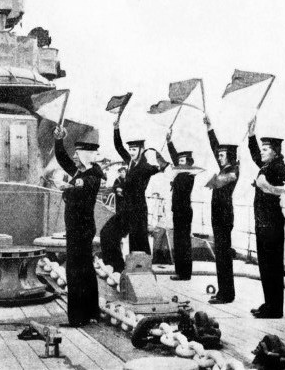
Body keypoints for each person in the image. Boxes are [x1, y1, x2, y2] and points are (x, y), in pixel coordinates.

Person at [100, 116, 168, 273]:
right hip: (126, 210)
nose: (131, 152)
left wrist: (161, 161)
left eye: (134, 150)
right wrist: (116, 128)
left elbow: (163, 167)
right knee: (107, 233)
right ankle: (116, 267)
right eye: (130, 150)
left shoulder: (146, 167)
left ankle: (144, 275)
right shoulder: (130, 162)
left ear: (141, 150)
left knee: (140, 246)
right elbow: (118, 146)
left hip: (137, 211)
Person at [53, 126, 105, 327]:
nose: (74, 156)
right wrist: (59, 140)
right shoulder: (82, 172)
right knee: (86, 270)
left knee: (75, 271)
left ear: (87, 155)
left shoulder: (93, 175)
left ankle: (77, 318)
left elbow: (83, 187)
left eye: (78, 152)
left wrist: (68, 187)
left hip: (80, 230)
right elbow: (62, 158)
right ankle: (91, 312)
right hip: (80, 229)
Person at [247, 116, 285, 319]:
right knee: (265, 266)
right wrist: (251, 135)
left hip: (272, 224)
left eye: (266, 149)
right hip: (263, 223)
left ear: (274, 152)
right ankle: (269, 304)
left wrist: (266, 186)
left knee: (273, 267)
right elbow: (256, 155)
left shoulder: (279, 167)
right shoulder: (267, 166)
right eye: (262, 148)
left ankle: (275, 308)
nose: (262, 152)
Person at [203, 115, 239, 304]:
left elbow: (222, 180)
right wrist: (210, 128)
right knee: (221, 255)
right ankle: (223, 291)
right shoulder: (225, 168)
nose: (219, 156)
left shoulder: (233, 171)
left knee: (224, 256)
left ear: (230, 156)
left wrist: (213, 180)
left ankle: (226, 294)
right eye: (219, 155)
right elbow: (215, 146)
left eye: (223, 155)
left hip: (224, 217)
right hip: (218, 217)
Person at [166, 129, 196, 281]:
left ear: (189, 163)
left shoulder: (188, 176)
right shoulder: (181, 174)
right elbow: (174, 158)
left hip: (183, 212)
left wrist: (174, 180)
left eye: (182, 161)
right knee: (178, 242)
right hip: (178, 212)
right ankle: (180, 272)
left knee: (183, 243)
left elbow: (181, 188)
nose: (179, 163)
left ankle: (185, 273)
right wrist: (169, 142)